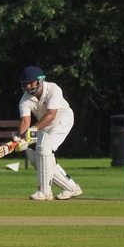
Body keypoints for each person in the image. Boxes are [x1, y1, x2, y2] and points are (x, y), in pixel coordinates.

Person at [14, 65, 82, 201]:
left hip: (63, 119)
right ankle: (71, 187)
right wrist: (20, 139)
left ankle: (44, 192)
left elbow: (51, 114)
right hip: (44, 124)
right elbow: (25, 121)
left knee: (45, 148)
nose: (28, 86)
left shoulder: (53, 89)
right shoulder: (25, 99)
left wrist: (33, 129)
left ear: (40, 80)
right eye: (25, 84)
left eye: (31, 83)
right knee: (33, 155)